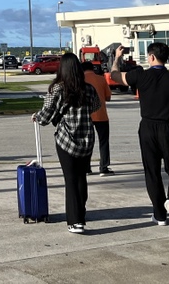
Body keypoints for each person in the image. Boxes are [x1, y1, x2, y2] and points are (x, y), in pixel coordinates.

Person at [110, 42, 169, 231]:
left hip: (146, 128)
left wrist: (117, 57)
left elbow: (115, 76)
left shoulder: (140, 75)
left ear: (152, 57)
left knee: (152, 171)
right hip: (168, 127)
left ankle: (159, 214)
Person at [33, 53, 101, 234]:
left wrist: (36, 117)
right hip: (86, 139)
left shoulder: (57, 89)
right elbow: (96, 107)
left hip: (66, 140)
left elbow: (46, 115)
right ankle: (81, 213)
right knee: (81, 178)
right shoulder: (88, 88)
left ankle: (75, 221)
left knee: (70, 180)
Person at [82, 61, 113, 176]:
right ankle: (103, 167)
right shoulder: (101, 79)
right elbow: (108, 97)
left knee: (87, 142)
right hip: (101, 115)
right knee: (103, 142)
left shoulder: (80, 80)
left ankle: (86, 168)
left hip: (86, 116)